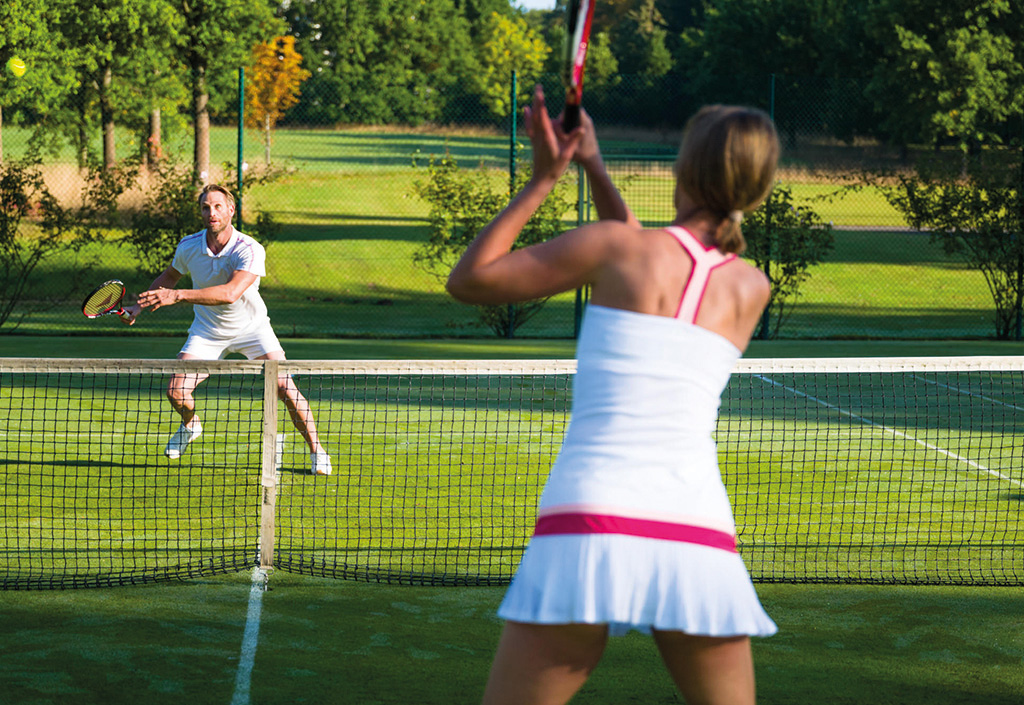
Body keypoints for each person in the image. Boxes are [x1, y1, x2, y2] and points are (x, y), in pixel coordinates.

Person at [446, 85, 780, 705]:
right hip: (697, 529)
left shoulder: (617, 248)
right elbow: (648, 253)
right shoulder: (751, 288)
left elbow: (470, 280)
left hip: (588, 519)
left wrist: (547, 177)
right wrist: (592, 163)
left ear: (684, 168)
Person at [122, 184, 332, 475]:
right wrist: (139, 307)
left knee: (285, 387)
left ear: (231, 210)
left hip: (252, 329)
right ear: (200, 212)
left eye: (218, 206)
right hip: (207, 332)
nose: (212, 212)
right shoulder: (189, 246)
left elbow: (230, 293)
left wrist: (179, 296)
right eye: (206, 207)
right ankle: (190, 425)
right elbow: (169, 276)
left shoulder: (249, 249)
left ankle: (316, 450)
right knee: (176, 392)